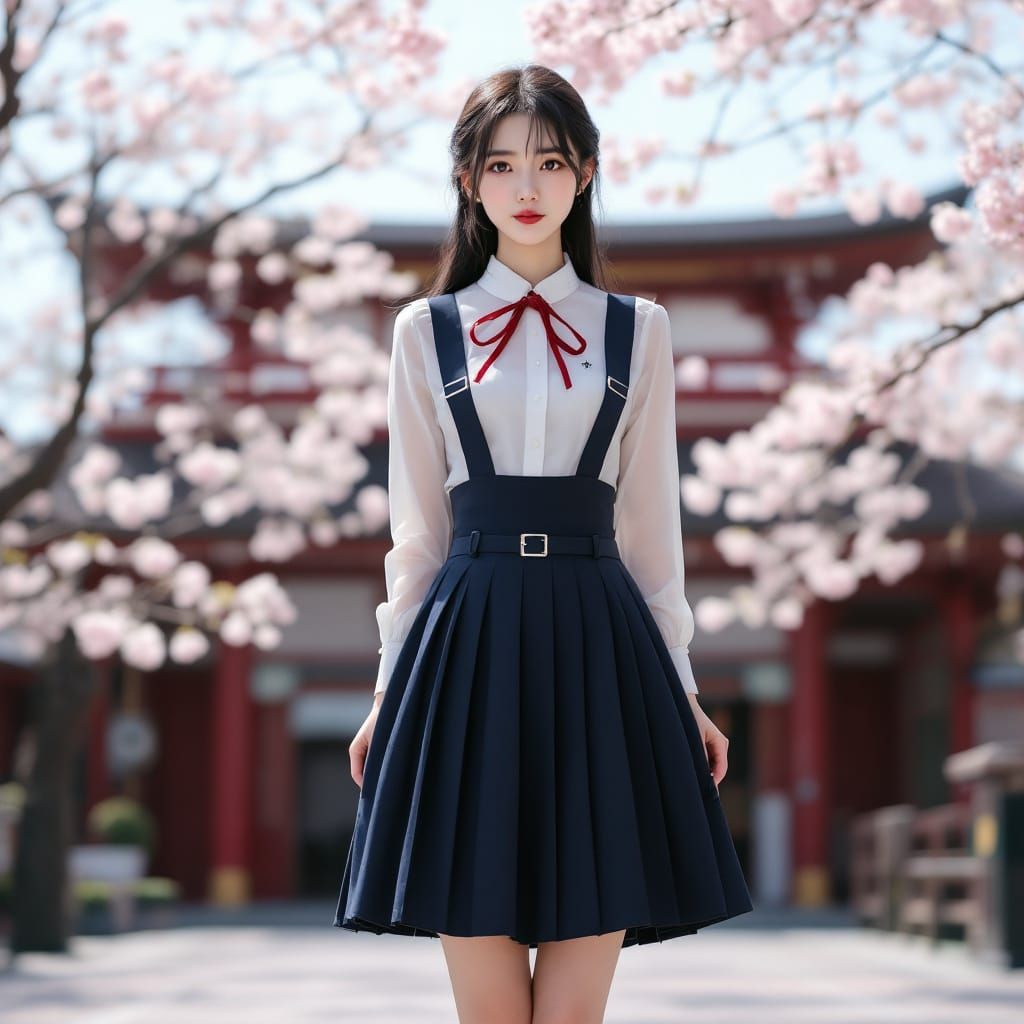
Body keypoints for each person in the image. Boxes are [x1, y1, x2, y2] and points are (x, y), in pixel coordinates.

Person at [334, 63, 754, 1023]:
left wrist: (682, 688)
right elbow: (417, 537)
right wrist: (386, 693)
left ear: (587, 174)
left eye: (551, 162)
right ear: (469, 182)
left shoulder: (637, 331)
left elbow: (652, 528)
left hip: (600, 643)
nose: (527, 188)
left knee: (571, 1016)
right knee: (488, 1012)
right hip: (463, 643)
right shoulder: (424, 331)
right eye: (502, 165)